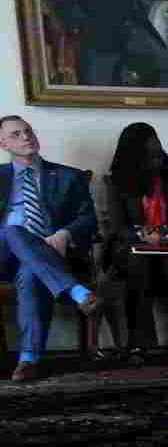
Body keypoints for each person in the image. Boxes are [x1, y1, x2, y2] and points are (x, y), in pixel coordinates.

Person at [1, 115, 100, 382]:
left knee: (31, 272)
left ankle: (28, 359)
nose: (25, 137)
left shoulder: (69, 176)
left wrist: (65, 234)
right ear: (3, 144)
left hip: (49, 252)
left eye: (28, 131)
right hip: (3, 254)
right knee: (12, 230)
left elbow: (88, 218)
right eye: (16, 134)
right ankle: (76, 291)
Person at [104, 122, 168, 359]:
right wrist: (142, 234)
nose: (157, 162)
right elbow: (118, 226)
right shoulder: (119, 180)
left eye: (159, 155)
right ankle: (139, 343)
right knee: (139, 263)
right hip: (133, 245)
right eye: (149, 157)